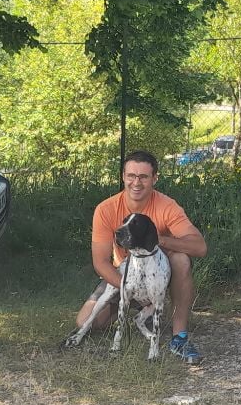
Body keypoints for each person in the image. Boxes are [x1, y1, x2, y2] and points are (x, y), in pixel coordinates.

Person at [74, 150, 208, 363]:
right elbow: (100, 262)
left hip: (158, 276)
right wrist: (131, 290)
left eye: (144, 177)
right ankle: (131, 314)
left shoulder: (167, 206)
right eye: (131, 176)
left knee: (181, 259)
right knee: (85, 322)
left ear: (154, 178)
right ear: (123, 177)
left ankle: (179, 337)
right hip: (125, 275)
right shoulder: (106, 209)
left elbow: (199, 247)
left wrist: (159, 239)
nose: (136, 182)